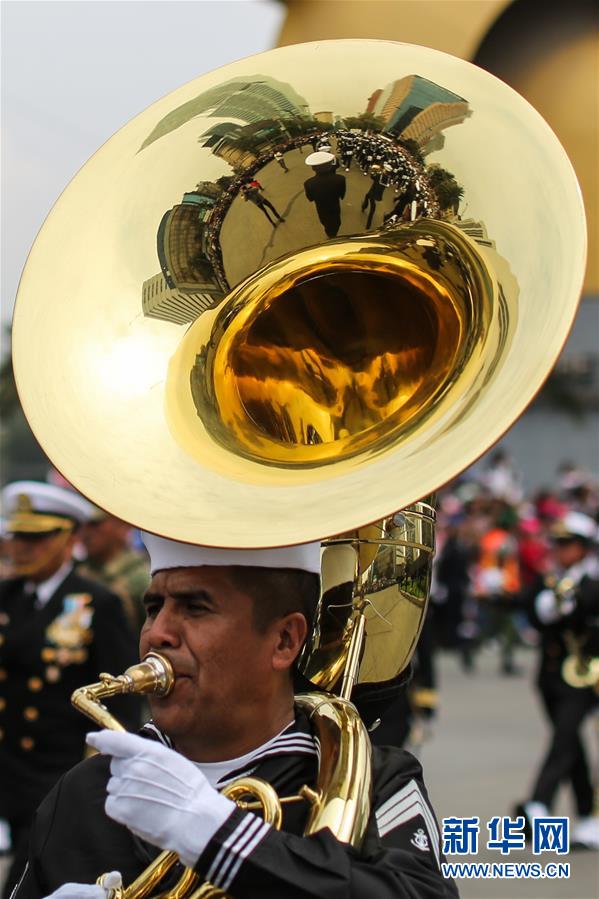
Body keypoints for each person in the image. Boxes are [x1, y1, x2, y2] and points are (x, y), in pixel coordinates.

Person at [15, 535, 459, 898]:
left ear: (285, 641)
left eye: (195, 608)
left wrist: (220, 837)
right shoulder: (86, 790)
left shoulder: (376, 779)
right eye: (154, 608)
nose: (158, 633)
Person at [0, 482, 140, 899]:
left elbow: (119, 701)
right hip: (7, 766)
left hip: (56, 771)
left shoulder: (97, 602)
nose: (21, 548)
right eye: (17, 536)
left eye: (36, 538)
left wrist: (101, 776)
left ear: (68, 537)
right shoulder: (6, 596)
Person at [515, 511, 599, 850]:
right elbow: (531, 612)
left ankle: (539, 803)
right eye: (558, 544)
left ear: (584, 548)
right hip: (550, 679)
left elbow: (582, 611)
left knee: (563, 739)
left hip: (585, 680)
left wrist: (570, 601)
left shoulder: (592, 584)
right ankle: (588, 816)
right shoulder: (549, 581)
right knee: (571, 744)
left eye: (568, 544)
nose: (561, 550)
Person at [77, 510, 150, 633]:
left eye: (95, 524)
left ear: (122, 525)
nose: (85, 532)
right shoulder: (77, 573)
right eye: (81, 525)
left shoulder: (142, 579)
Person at [303, 151, 346, 238]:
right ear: (330, 166)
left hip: (321, 209)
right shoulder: (340, 179)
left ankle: (330, 235)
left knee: (326, 223)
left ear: (313, 168)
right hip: (335, 207)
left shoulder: (308, 183)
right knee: (336, 223)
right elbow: (342, 195)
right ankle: (333, 235)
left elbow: (310, 198)